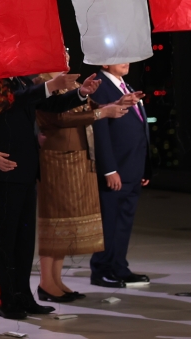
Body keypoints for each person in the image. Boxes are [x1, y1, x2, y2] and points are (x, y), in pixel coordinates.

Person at [0, 71, 101, 320]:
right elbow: (11, 100)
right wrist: (50, 85)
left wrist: (81, 93)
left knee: (25, 241)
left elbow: (51, 104)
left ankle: (23, 295)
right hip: (4, 168)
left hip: (27, 168)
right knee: (6, 241)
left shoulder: (21, 80)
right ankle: (5, 299)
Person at [38, 71, 130, 301]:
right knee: (56, 220)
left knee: (66, 223)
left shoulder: (71, 81)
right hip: (59, 156)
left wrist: (117, 104)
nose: (66, 57)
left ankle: (56, 279)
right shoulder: (42, 82)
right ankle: (46, 282)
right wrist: (102, 112)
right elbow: (58, 118)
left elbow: (90, 107)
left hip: (79, 155)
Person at [90, 63, 151, 289]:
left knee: (123, 221)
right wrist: (108, 168)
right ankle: (102, 269)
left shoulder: (125, 86)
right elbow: (100, 130)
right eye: (120, 57)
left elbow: (139, 127)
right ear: (105, 62)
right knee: (109, 221)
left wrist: (144, 167)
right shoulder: (99, 86)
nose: (126, 61)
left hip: (132, 166)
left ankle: (119, 267)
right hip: (115, 167)